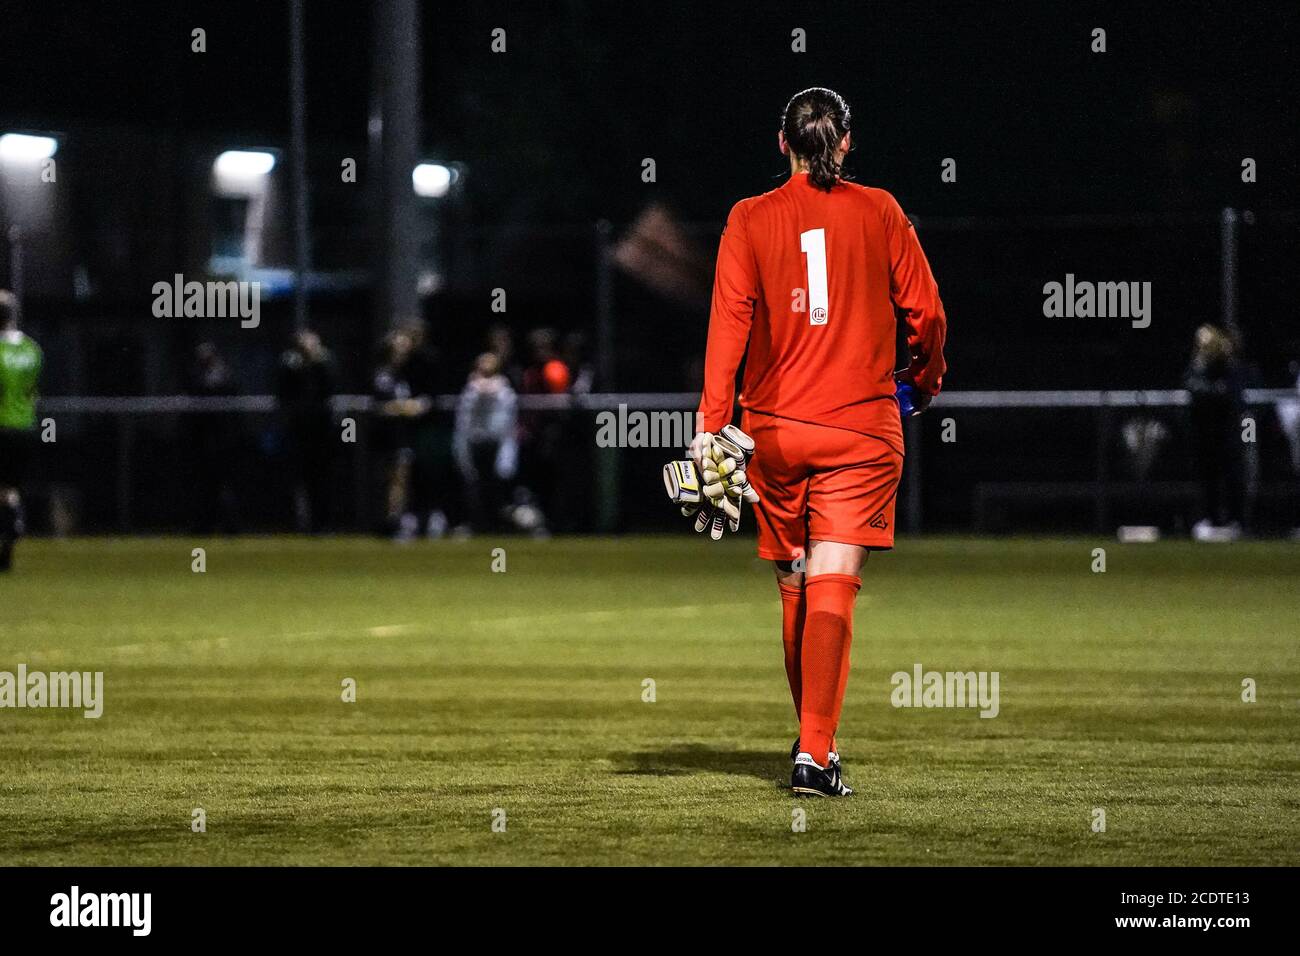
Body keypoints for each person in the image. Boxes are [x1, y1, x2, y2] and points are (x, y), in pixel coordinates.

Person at [692, 88, 947, 797]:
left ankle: (814, 743)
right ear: (845, 144)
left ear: (783, 145)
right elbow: (926, 314)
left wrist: (710, 428)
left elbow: (727, 332)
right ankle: (814, 751)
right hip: (860, 428)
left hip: (773, 431)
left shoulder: (749, 217)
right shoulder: (882, 209)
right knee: (834, 579)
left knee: (796, 581)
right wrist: (923, 380)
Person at [1183, 323, 1244, 540]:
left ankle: (1233, 520)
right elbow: (1193, 389)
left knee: (1231, 477)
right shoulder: (1197, 368)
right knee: (1206, 478)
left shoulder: (1228, 367)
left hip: (1225, 434)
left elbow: (1229, 395)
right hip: (1203, 435)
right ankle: (1209, 519)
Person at [276, 329, 339, 533]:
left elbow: (331, 388)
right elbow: (282, 392)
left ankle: (324, 523)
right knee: (298, 479)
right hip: (298, 430)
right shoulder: (291, 365)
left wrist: (316, 361)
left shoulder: (325, 363)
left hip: (322, 431)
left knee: (323, 480)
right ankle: (299, 522)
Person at [372, 328, 430, 539]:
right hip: (387, 436)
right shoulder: (383, 375)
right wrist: (410, 407)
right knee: (393, 481)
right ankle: (390, 522)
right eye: (400, 348)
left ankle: (396, 519)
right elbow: (381, 407)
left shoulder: (400, 376)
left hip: (401, 435)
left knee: (400, 480)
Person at [452, 352, 519, 532]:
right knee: (474, 484)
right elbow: (463, 417)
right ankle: (476, 523)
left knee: (497, 485)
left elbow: (508, 416)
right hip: (475, 442)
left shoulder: (504, 387)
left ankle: (499, 523)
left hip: (496, 442)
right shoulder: (471, 387)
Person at [0, 290, 42, 572]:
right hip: (25, 427)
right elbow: (32, 392)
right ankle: (12, 528)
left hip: (1, 425)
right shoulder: (33, 350)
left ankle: (11, 523)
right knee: (10, 488)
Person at [185, 342, 241, 534]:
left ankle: (230, 526)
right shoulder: (195, 376)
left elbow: (229, 397)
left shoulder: (225, 376)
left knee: (224, 486)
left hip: (222, 441)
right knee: (203, 487)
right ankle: (203, 526)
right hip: (202, 441)